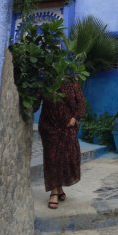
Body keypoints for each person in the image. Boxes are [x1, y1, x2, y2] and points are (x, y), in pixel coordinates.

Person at [38, 80, 86, 209]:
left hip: (67, 128)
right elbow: (36, 102)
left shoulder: (73, 83)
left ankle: (59, 188)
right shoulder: (47, 83)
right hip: (49, 127)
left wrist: (75, 118)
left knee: (66, 158)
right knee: (52, 158)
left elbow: (81, 103)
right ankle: (54, 192)